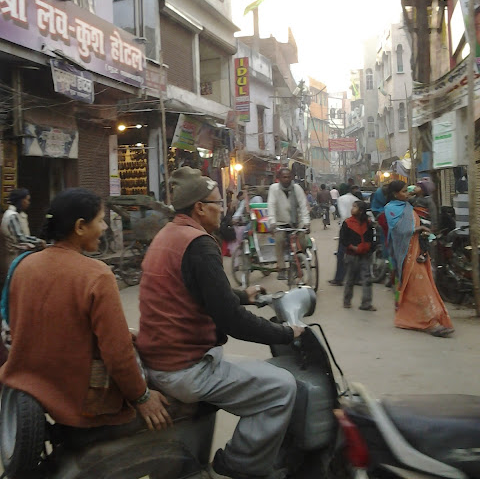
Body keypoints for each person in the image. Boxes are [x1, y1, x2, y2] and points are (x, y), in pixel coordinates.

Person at [136, 167, 302, 479]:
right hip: (186, 368)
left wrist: (242, 295)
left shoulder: (168, 235)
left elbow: (195, 290)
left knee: (254, 372)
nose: (222, 209)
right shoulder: (199, 243)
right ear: (200, 207)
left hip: (160, 359)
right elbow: (231, 321)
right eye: (218, 203)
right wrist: (285, 333)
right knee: (282, 387)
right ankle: (238, 465)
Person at [0, 188, 171, 431]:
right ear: (80, 227)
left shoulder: (23, 266)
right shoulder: (97, 274)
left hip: (28, 384)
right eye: (100, 220)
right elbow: (117, 355)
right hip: (78, 400)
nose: (105, 227)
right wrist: (142, 397)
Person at [384, 181, 454, 337]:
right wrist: (419, 229)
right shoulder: (390, 208)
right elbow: (398, 230)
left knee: (422, 286)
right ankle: (430, 323)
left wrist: (424, 231)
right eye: (403, 191)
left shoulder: (408, 205)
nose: (407, 193)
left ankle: (417, 319)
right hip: (406, 254)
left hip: (418, 251)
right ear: (395, 194)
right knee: (420, 288)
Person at [267, 168, 310, 280]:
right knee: (279, 240)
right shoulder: (274, 189)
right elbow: (271, 206)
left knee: (303, 241)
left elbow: (303, 206)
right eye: (284, 177)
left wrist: (306, 223)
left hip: (296, 222)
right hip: (281, 222)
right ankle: (281, 268)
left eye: (288, 177)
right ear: (279, 178)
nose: (286, 179)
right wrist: (272, 222)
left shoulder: (297, 188)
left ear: (292, 177)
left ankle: (298, 263)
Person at [340, 200, 376, 311]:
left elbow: (371, 238)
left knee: (367, 279)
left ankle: (366, 303)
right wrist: (352, 247)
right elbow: (343, 239)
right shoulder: (347, 223)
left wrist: (369, 248)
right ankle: (347, 301)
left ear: (361, 211)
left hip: (365, 255)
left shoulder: (368, 223)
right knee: (350, 279)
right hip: (351, 255)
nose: (352, 209)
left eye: (355, 207)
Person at [1, 188, 45, 266]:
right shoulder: (12, 216)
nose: (28, 203)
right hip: (15, 257)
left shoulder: (13, 214)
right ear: (21, 200)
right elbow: (20, 238)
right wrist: (38, 241)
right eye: (27, 200)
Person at [328, 186, 359, 286]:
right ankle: (356, 278)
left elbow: (343, 214)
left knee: (341, 253)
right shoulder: (355, 199)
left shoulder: (341, 199)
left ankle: (339, 278)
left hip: (346, 227)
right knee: (356, 252)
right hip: (356, 227)